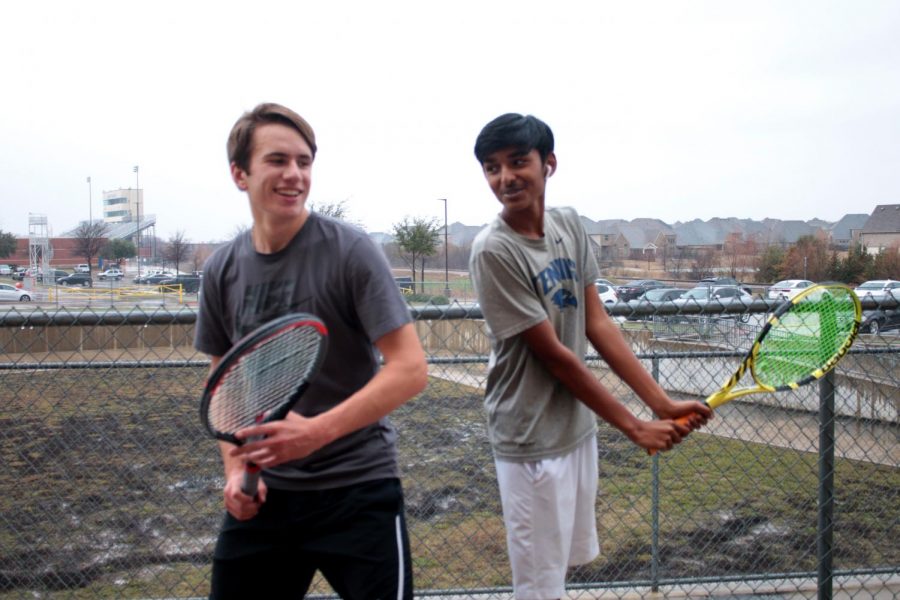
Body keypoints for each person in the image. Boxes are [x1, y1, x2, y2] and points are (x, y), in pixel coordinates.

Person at [468, 113, 711, 600]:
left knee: (561, 568)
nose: (505, 177)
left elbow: (596, 323)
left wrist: (659, 403)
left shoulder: (568, 225)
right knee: (538, 586)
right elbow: (555, 357)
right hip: (529, 436)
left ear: (548, 164)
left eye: (518, 162)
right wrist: (634, 425)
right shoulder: (493, 251)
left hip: (575, 430)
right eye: (492, 168)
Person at [194, 102, 428, 599]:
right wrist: (236, 469)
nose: (295, 174)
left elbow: (409, 369)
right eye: (277, 160)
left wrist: (316, 433)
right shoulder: (221, 270)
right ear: (240, 174)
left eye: (304, 161)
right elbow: (225, 384)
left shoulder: (351, 251)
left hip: (358, 489)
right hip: (268, 498)